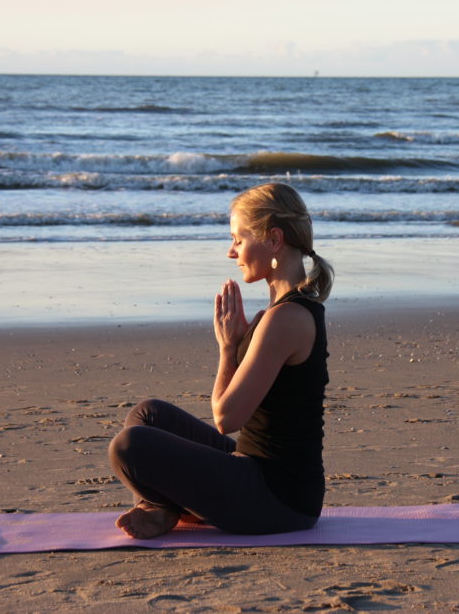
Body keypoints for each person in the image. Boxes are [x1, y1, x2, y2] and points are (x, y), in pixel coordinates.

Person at [108, 183, 334, 537]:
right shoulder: (276, 314)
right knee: (147, 415)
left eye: (239, 239)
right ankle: (163, 506)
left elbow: (226, 418)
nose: (232, 252)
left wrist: (228, 349)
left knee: (128, 446)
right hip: (254, 470)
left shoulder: (286, 319)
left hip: (280, 499)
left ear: (274, 240)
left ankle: (165, 507)